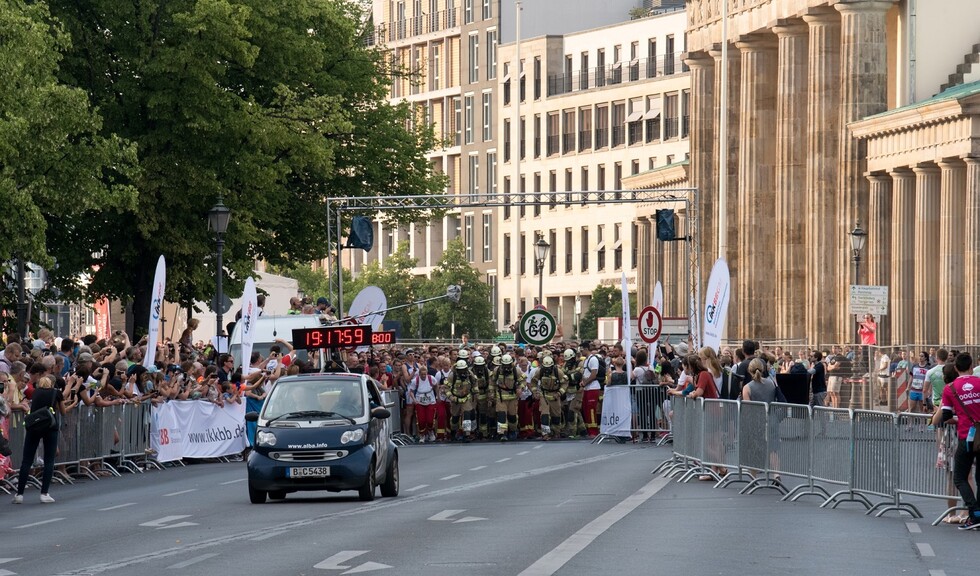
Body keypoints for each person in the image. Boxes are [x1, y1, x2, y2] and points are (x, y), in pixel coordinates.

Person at [932, 352, 980, 530]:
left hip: (966, 437)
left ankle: (975, 513)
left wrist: (961, 418)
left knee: (959, 477)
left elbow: (945, 416)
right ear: (971, 366)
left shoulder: (950, 388)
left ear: (956, 368)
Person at [12, 375, 66, 504]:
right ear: (52, 384)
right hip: (50, 426)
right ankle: (44, 493)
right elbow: (63, 411)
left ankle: (19, 494)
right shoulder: (56, 393)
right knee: (49, 459)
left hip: (34, 426)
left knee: (27, 460)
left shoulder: (35, 392)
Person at [531, 354, 567, 440]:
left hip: (555, 395)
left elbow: (565, 384)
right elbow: (533, 382)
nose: (547, 369)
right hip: (544, 395)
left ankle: (556, 432)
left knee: (556, 415)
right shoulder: (539, 372)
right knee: (544, 415)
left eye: (549, 367)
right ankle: (545, 434)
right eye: (545, 367)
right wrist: (535, 392)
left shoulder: (559, 372)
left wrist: (559, 393)